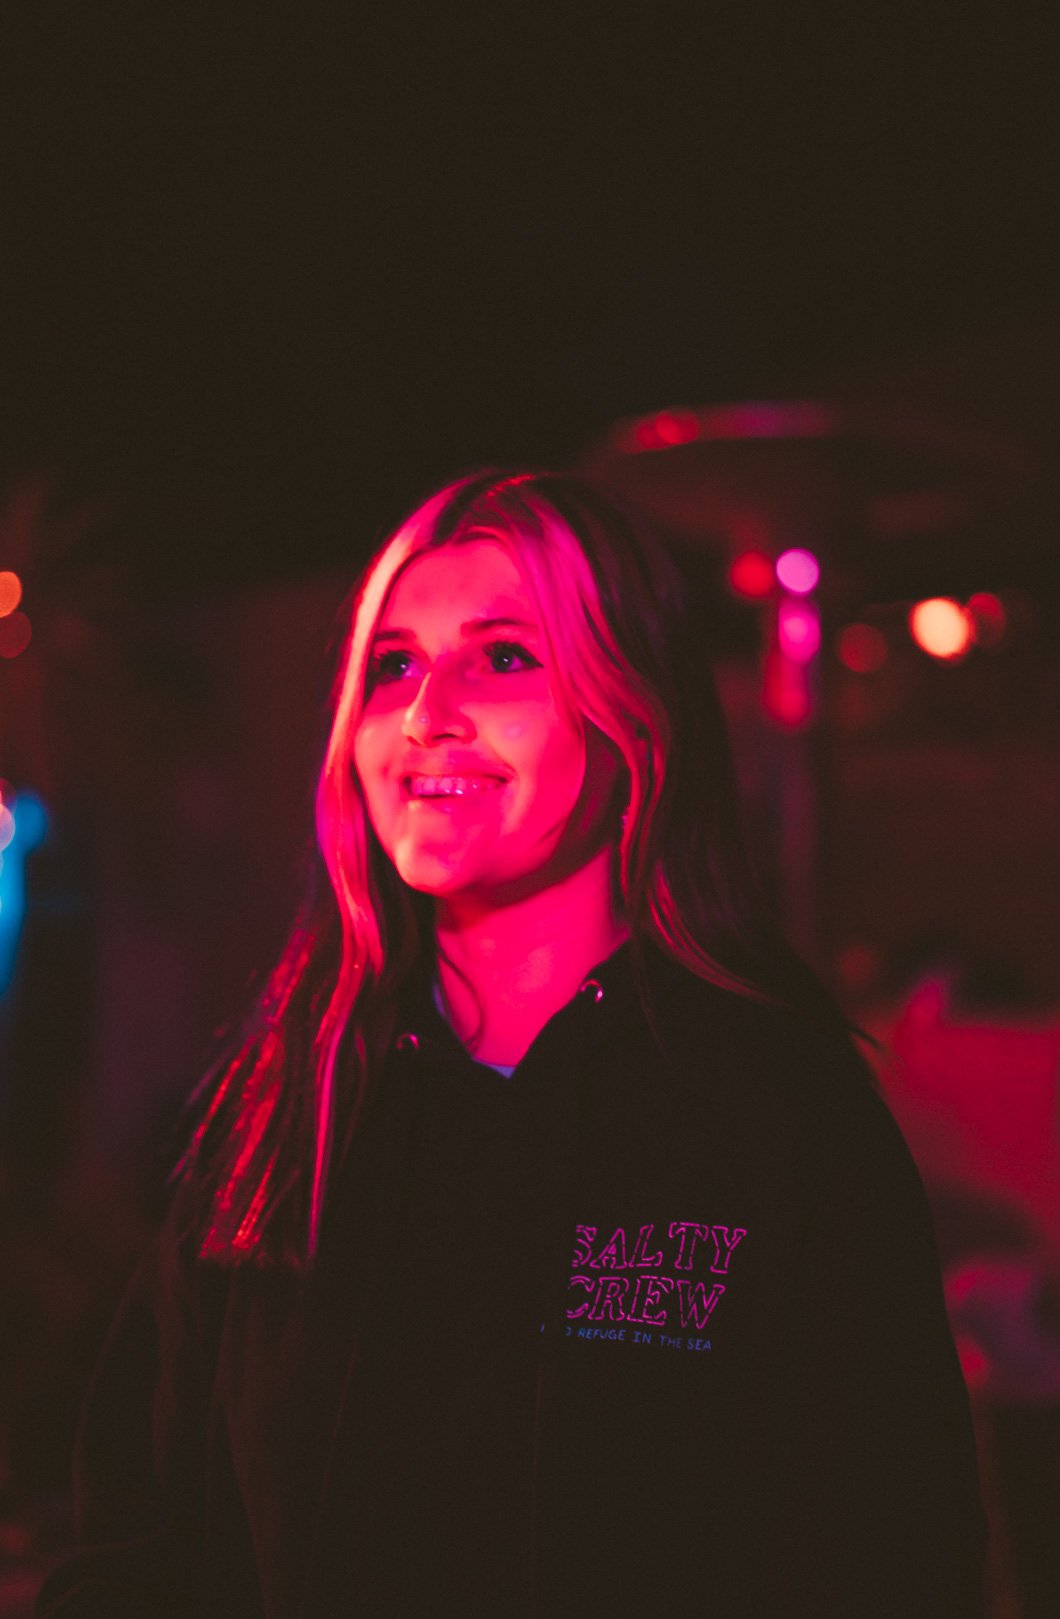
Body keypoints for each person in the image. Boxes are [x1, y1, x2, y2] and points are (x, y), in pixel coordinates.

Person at [37, 470, 985, 1616]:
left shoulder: (777, 1107)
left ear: (631, 712)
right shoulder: (294, 1096)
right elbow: (139, 1544)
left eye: (502, 656)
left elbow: (891, 1558)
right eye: (392, 665)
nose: (428, 709)